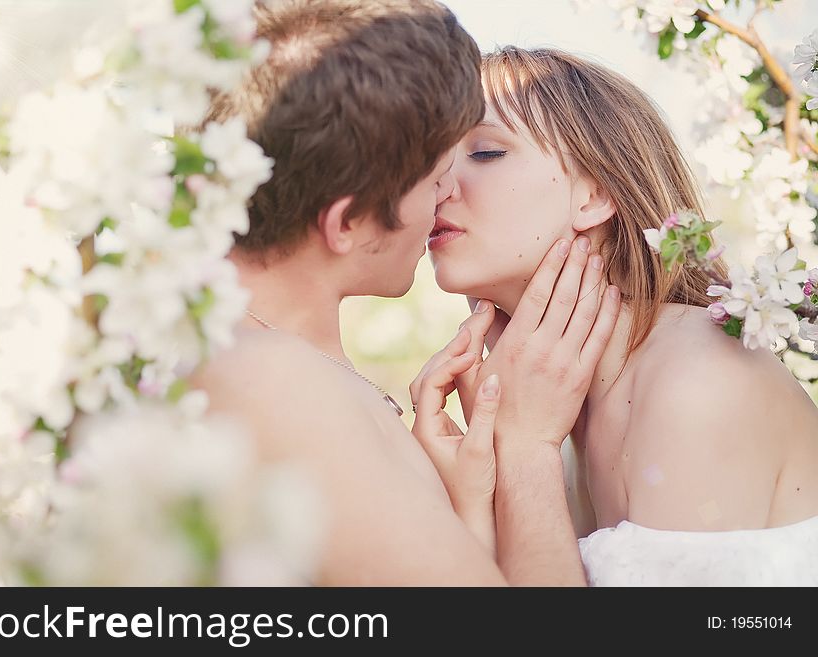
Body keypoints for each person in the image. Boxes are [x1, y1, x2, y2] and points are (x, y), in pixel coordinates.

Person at [191, 1, 620, 585]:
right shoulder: (275, 383)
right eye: (435, 174)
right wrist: (526, 449)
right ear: (345, 224)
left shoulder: (286, 364)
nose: (447, 193)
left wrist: (468, 506)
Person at [420, 45, 818, 585]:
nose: (437, 186)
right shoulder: (551, 403)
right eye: (431, 161)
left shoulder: (699, 380)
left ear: (596, 194)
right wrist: (480, 491)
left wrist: (525, 455)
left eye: (485, 153)